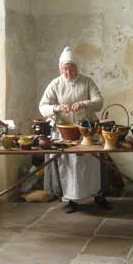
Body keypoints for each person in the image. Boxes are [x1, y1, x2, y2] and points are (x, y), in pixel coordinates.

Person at [39, 46, 112, 214]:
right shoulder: (55, 84)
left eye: (71, 68)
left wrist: (84, 103)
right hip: (65, 133)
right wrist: (57, 108)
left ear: (77, 68)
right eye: (65, 69)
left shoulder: (87, 81)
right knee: (69, 166)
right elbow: (43, 106)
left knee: (92, 163)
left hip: (87, 130)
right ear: (60, 69)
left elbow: (99, 101)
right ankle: (71, 199)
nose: (68, 72)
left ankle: (98, 195)